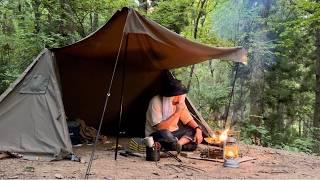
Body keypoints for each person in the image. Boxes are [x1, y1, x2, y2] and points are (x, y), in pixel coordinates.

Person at [145, 75, 203, 153]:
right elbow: (160, 128)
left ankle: (178, 144)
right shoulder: (155, 101)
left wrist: (198, 129)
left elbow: (188, 119)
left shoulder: (179, 101)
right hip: (157, 134)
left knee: (193, 130)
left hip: (174, 134)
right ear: (170, 96)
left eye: (180, 95)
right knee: (165, 134)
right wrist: (177, 113)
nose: (180, 98)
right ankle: (180, 144)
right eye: (177, 95)